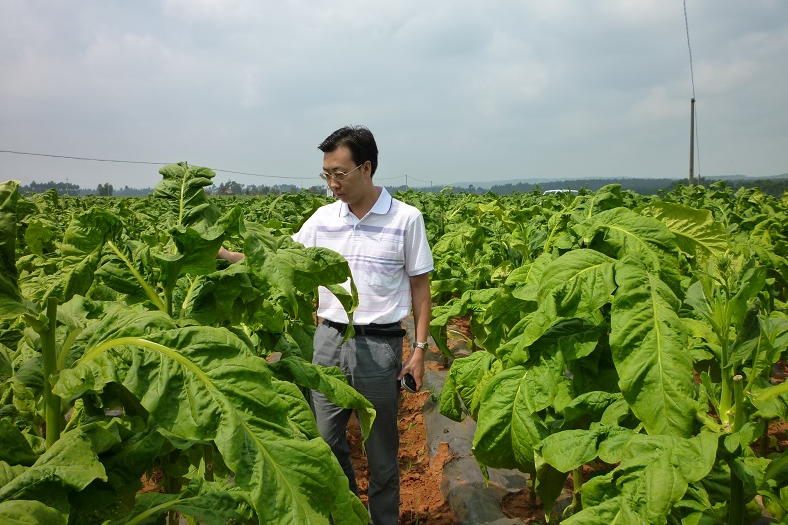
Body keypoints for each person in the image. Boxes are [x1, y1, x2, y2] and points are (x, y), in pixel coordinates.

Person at [219, 125, 433, 525]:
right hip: (328, 340)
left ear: (366, 168)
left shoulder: (406, 219)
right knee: (326, 442)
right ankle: (349, 514)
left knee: (381, 451)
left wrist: (419, 351)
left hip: (379, 344)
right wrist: (226, 254)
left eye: (339, 173)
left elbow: (421, 289)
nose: (332, 183)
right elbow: (278, 258)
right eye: (326, 174)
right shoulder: (322, 219)